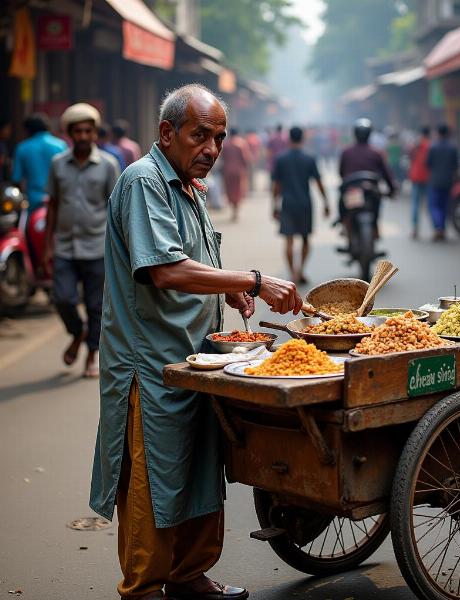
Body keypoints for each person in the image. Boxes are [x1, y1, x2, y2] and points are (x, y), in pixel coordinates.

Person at [89, 83, 302, 600]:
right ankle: (144, 588)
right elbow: (164, 270)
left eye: (220, 138)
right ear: (167, 133)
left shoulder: (189, 187)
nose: (211, 149)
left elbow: (197, 265)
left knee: (200, 467)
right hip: (152, 364)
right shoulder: (145, 182)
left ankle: (188, 575)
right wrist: (251, 281)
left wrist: (230, 296)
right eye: (199, 135)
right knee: (152, 480)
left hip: (198, 358)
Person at [44, 103, 120, 378]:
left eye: (89, 131)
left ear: (95, 133)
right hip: (64, 244)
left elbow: (116, 209)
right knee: (62, 298)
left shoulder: (108, 166)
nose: (84, 136)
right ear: (70, 134)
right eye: (78, 131)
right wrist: (47, 246)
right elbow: (52, 204)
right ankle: (77, 333)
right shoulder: (57, 165)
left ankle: (91, 354)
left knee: (95, 305)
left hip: (97, 245)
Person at [272, 126, 330, 284]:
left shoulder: (281, 159)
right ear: (302, 138)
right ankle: (300, 271)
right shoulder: (309, 158)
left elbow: (276, 185)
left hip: (288, 203)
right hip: (305, 204)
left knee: (289, 240)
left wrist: (274, 205)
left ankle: (292, 273)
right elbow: (318, 182)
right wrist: (326, 202)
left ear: (289, 138)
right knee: (305, 239)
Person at [11, 113, 67, 212]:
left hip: (33, 202)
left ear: (28, 130)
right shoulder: (60, 145)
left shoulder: (23, 148)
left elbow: (16, 179)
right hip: (58, 201)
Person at [426, 124, 458, 241]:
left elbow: (428, 164)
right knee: (444, 206)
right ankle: (442, 228)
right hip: (448, 181)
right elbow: (456, 166)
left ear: (438, 133)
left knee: (434, 206)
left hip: (435, 181)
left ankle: (438, 228)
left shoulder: (433, 147)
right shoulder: (453, 148)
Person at [220, 128, 251, 222]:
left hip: (228, 171)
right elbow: (246, 158)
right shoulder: (241, 143)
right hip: (238, 171)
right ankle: (236, 211)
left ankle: (233, 210)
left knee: (230, 190)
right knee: (238, 190)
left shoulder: (225, 145)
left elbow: (222, 157)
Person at [408, 126, 430, 239]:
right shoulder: (430, 145)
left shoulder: (416, 144)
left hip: (416, 175)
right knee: (430, 203)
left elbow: (409, 155)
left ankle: (415, 228)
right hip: (427, 176)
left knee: (415, 203)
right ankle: (437, 228)